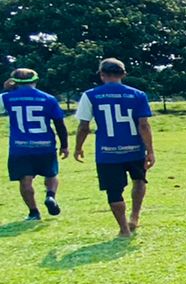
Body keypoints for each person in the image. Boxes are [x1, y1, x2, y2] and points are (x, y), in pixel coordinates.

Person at [73, 59, 155, 238]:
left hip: (107, 152)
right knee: (139, 180)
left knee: (113, 190)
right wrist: (150, 150)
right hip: (135, 149)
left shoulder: (90, 95)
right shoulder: (138, 95)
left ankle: (124, 229)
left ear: (102, 75)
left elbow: (84, 126)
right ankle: (135, 216)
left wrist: (78, 147)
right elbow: (144, 125)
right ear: (123, 74)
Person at [3, 67, 68, 221]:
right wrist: (64, 145)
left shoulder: (6, 98)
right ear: (35, 80)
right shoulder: (48, 98)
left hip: (20, 147)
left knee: (25, 181)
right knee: (51, 174)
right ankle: (50, 196)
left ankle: (33, 212)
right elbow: (59, 124)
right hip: (45, 145)